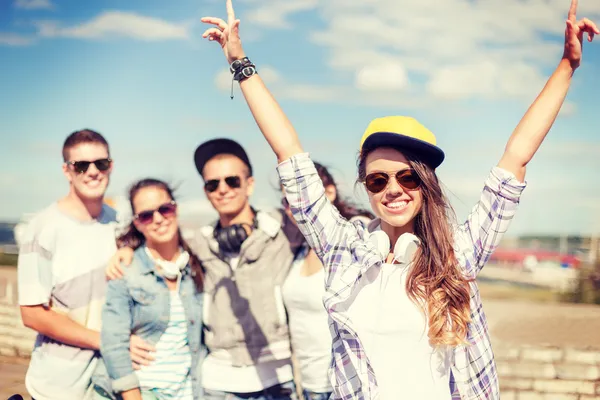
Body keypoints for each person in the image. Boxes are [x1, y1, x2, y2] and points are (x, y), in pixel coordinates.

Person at [200, 1, 598, 399]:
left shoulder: (457, 254)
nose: (393, 189)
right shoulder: (344, 249)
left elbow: (516, 157)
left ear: (426, 184)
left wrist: (567, 65)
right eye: (377, 179)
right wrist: (240, 62)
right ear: (366, 187)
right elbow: (288, 151)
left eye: (408, 177)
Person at [106, 138, 298, 400]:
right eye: (212, 184)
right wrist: (126, 248)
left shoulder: (284, 231)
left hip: (278, 378)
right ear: (206, 191)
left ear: (249, 184)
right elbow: (158, 238)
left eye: (232, 181)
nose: (223, 189)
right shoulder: (199, 244)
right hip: (219, 384)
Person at [17, 129, 118, 400]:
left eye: (101, 163)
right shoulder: (43, 229)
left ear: (111, 166)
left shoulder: (120, 224)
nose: (93, 171)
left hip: (111, 382)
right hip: (59, 387)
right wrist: (105, 341)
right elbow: (32, 314)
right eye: (81, 165)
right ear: (67, 171)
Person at [92, 178, 205, 400]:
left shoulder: (195, 266)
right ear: (137, 223)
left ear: (175, 209)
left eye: (165, 209)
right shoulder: (126, 269)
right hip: (138, 392)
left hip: (185, 392)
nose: (158, 219)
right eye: (146, 215)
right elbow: (114, 341)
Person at [281, 162, 372, 400]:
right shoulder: (299, 251)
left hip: (347, 385)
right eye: (287, 201)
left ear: (329, 192)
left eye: (299, 197)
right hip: (310, 384)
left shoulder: (355, 232)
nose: (295, 207)